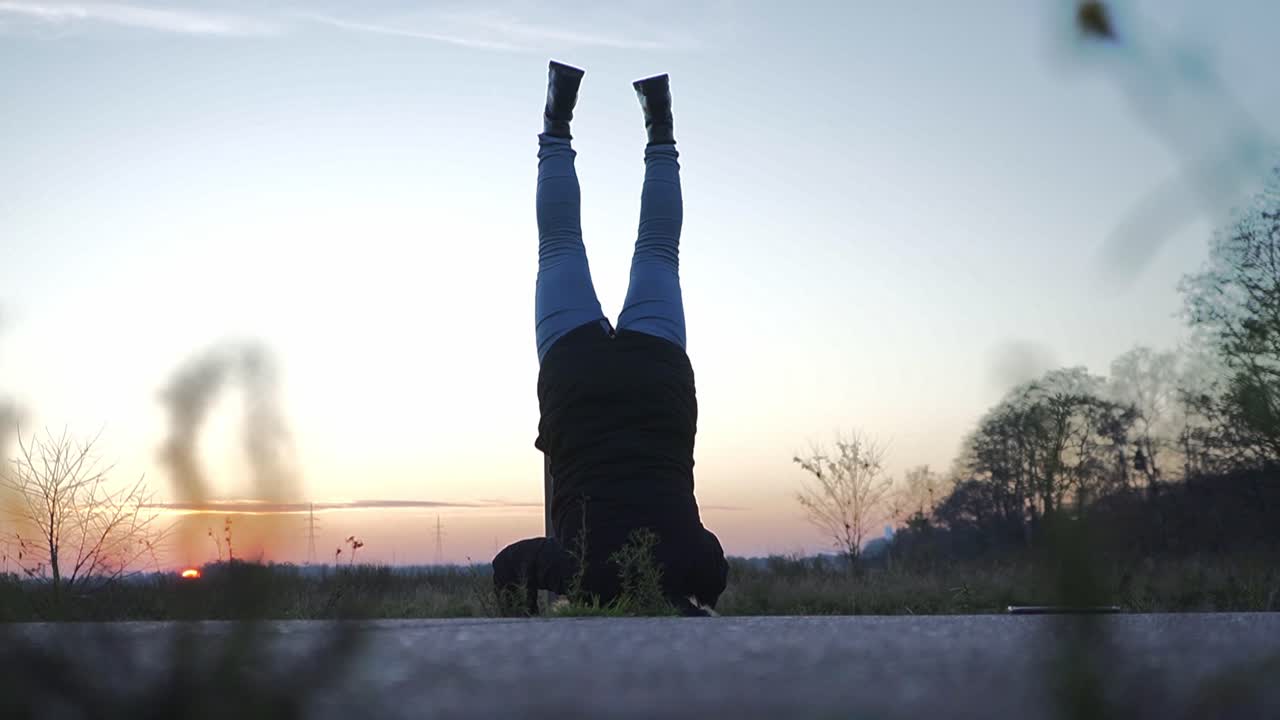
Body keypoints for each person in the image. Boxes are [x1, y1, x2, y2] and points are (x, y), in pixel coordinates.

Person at [492, 60, 728, 617]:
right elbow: (508, 565)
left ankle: (660, 128)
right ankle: (557, 120)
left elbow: (715, 568)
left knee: (658, 249)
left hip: (657, 378)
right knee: (560, 245)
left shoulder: (696, 564)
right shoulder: (584, 574)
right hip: (576, 379)